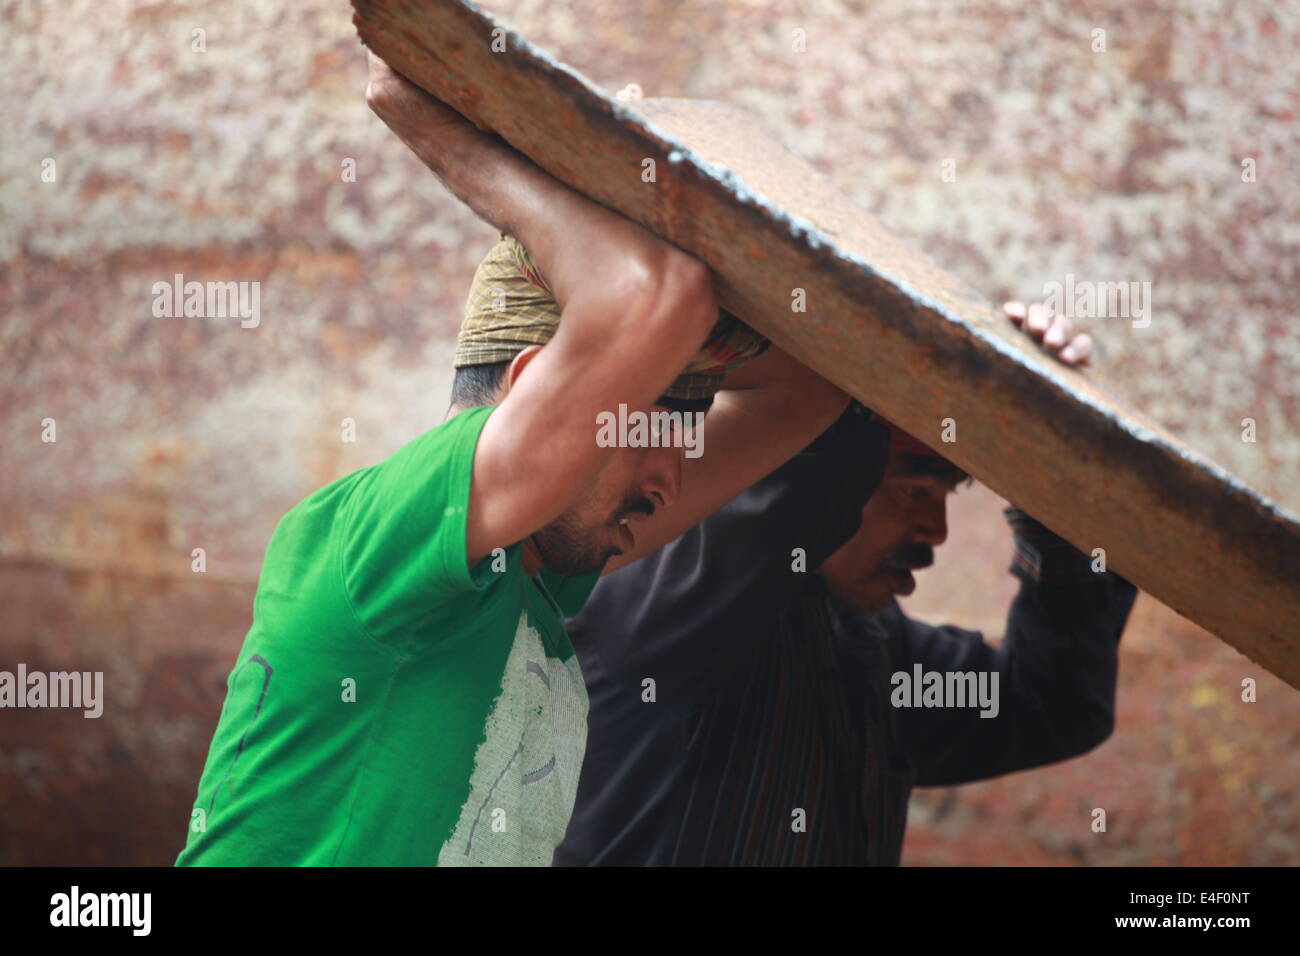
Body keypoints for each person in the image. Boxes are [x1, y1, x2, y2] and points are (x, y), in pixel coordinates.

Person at [175, 55, 846, 866]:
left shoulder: (531, 573)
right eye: (650, 434)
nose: (670, 480)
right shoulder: (384, 529)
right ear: (530, 383)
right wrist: (459, 137)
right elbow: (655, 299)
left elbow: (811, 391)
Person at [555, 302, 1138, 866]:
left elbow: (1050, 701)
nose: (935, 532)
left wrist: (1060, 464)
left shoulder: (875, 651)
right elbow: (816, 446)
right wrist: (975, 365)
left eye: (945, 495)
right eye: (912, 488)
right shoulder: (659, 601)